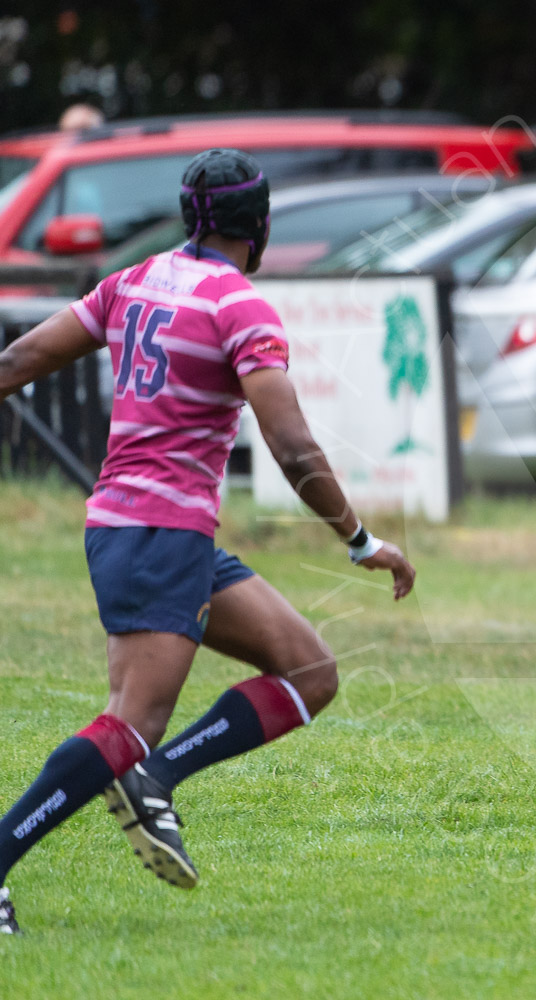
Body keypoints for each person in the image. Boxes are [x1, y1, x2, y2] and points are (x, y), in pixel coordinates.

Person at [0, 148, 416, 935]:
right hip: (159, 531)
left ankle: (157, 778)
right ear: (257, 226)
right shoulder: (241, 306)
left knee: (309, 670)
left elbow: (22, 358)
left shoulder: (134, 281)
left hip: (148, 529)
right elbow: (293, 449)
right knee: (128, 723)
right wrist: (359, 541)